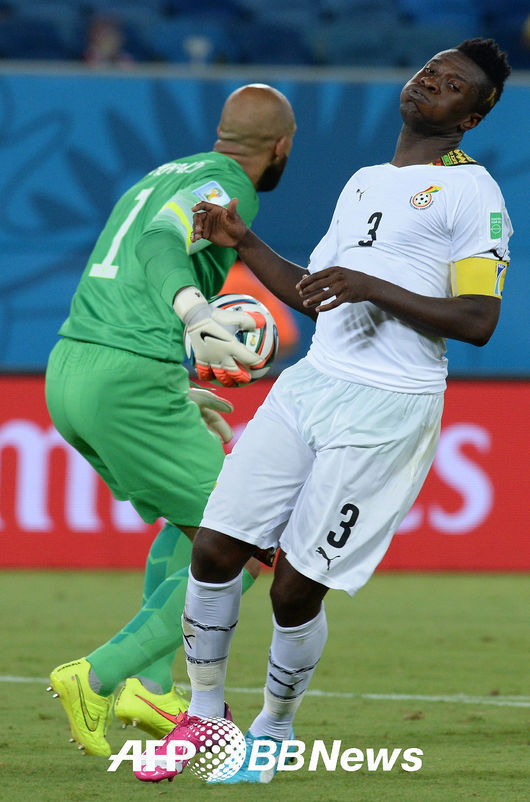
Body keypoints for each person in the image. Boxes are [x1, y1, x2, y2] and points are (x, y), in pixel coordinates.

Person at [133, 38, 512, 784]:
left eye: (451, 84)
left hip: (388, 406)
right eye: (429, 69)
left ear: (470, 116)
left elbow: (478, 320)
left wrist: (373, 287)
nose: (430, 82)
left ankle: (274, 730)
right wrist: (245, 241)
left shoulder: (474, 194)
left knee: (294, 588)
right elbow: (320, 291)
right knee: (215, 549)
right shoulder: (366, 181)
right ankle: (205, 716)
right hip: (311, 384)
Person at [45, 83, 297, 757]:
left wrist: (176, 387)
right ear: (281, 146)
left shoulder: (164, 174)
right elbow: (161, 243)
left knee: (199, 528)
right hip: (127, 378)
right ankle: (100, 675)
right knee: (245, 541)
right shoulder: (227, 187)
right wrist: (194, 312)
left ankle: (153, 686)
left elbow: (128, 272)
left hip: (73, 368)